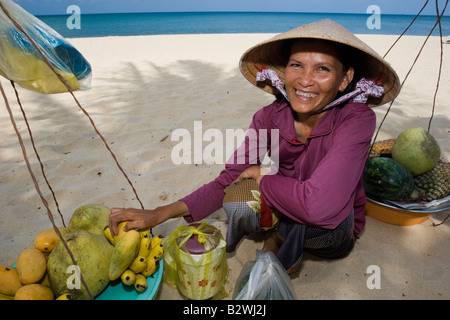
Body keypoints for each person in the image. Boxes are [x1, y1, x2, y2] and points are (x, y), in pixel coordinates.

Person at [109, 19, 400, 273]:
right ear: (285, 71)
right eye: (296, 65)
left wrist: (262, 178)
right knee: (237, 197)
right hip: (288, 200)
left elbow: (319, 206)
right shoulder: (268, 117)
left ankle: (280, 239)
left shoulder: (357, 119)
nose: (305, 80)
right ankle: (278, 233)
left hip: (330, 228)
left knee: (318, 222)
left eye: (322, 69)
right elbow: (229, 178)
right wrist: (160, 213)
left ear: (344, 79)